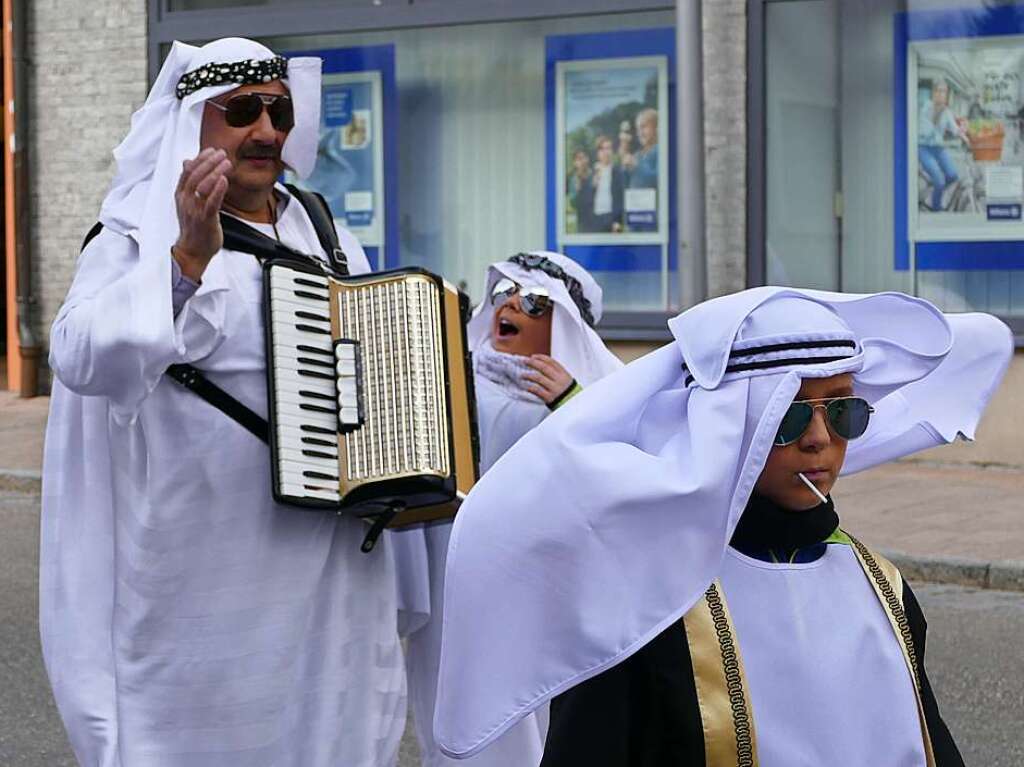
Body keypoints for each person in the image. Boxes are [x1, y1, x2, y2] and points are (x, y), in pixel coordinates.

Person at [432, 287, 1013, 765]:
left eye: (843, 411)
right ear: (733, 425)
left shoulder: (882, 586)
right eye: (787, 417)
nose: (819, 440)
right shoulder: (648, 600)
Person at [41, 38, 408, 767]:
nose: (267, 131)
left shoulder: (328, 235)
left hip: (333, 575)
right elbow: (78, 352)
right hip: (204, 583)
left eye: (278, 110)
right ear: (192, 126)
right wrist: (184, 262)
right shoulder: (132, 240)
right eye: (241, 111)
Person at [391, 251, 622, 767]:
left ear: (563, 324)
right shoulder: (451, 380)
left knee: (527, 711)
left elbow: (619, 480)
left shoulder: (590, 398)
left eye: (534, 301)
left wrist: (570, 403)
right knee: (449, 702)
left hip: (535, 585)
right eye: (503, 294)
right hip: (453, 574)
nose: (511, 305)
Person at [919, 77, 970, 212]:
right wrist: (938, 114)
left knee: (953, 176)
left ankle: (935, 190)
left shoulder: (947, 112)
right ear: (933, 93)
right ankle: (936, 208)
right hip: (924, 148)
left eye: (944, 92)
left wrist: (965, 136)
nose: (942, 94)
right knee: (940, 181)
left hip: (939, 148)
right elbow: (925, 130)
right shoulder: (925, 107)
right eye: (939, 91)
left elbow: (955, 129)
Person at [588, 135, 625, 233]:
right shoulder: (592, 173)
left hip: (611, 219)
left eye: (608, 148)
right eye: (602, 149)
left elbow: (620, 198)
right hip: (595, 219)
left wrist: (617, 221)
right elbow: (587, 200)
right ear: (598, 153)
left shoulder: (617, 172)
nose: (606, 152)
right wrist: (593, 184)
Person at [625, 107, 658, 189]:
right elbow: (627, 184)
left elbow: (659, 179)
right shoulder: (637, 155)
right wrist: (625, 169)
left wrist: (637, 166)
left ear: (656, 128)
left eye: (643, 127)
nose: (640, 133)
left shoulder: (661, 151)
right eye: (638, 129)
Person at [566, 148, 593, 233]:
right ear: (575, 163)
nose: (582, 161)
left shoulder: (594, 175)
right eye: (579, 159)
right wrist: (578, 190)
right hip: (583, 223)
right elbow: (573, 204)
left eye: (584, 157)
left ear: (588, 159)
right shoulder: (574, 180)